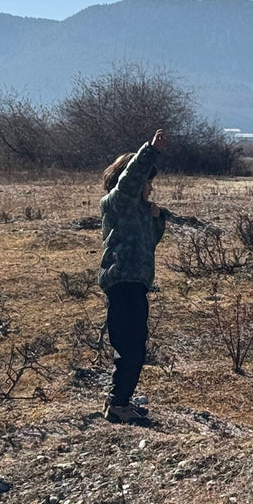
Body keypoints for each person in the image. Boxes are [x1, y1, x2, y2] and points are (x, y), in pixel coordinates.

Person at [98, 129, 169, 424]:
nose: (150, 188)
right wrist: (150, 150)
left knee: (134, 344)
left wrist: (156, 220)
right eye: (147, 181)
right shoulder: (119, 201)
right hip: (123, 282)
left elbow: (150, 243)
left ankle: (120, 400)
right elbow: (131, 179)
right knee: (131, 346)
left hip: (136, 283)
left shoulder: (138, 210)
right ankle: (118, 404)